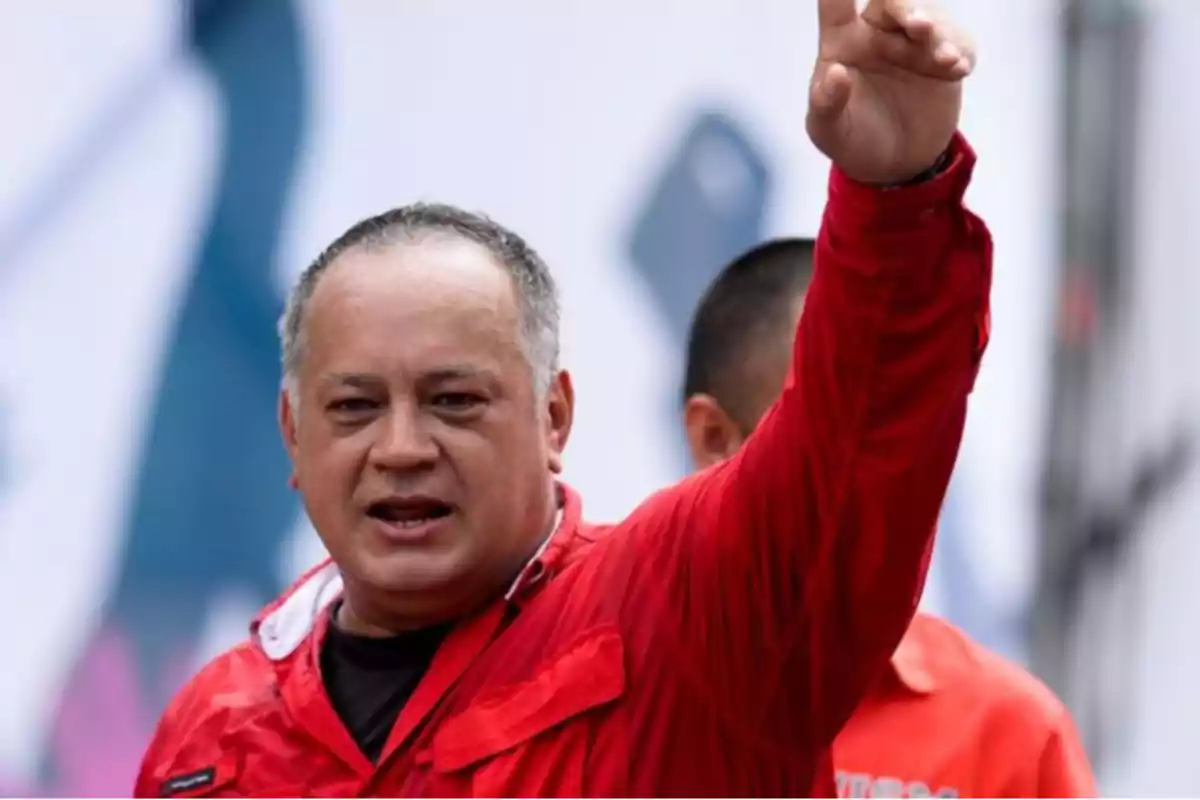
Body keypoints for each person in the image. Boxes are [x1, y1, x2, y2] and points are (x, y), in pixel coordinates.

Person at [134, 0, 991, 795]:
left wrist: (897, 200)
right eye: (354, 407)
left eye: (454, 401)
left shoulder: (686, 617)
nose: (400, 448)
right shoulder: (208, 739)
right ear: (292, 434)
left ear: (554, 419)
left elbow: (849, 462)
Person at [682, 237, 1097, 799]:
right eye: (840, 422)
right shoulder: (603, 702)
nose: (887, 468)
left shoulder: (1013, 736)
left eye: (906, 424)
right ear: (715, 440)